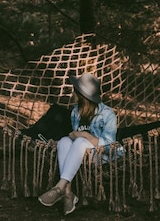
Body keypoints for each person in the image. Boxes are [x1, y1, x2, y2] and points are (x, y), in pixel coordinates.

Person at [37, 72, 118, 215]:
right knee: (63, 141)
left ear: (81, 94)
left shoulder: (108, 114)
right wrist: (74, 136)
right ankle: (68, 192)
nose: (72, 93)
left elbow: (108, 144)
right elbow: (75, 138)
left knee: (81, 141)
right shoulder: (76, 111)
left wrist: (84, 135)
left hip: (101, 155)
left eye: (75, 90)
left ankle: (60, 188)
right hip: (80, 152)